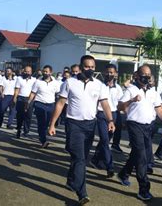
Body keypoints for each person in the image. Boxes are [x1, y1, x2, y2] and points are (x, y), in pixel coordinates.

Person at [48, 55, 114, 205]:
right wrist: (52, 124)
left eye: (92, 67)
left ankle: (71, 181)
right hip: (74, 124)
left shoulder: (99, 85)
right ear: (81, 66)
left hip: (90, 125)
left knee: (80, 157)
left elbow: (104, 104)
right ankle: (81, 193)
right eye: (87, 67)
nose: (89, 69)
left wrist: (110, 120)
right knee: (80, 159)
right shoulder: (70, 83)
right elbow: (60, 103)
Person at [116, 64, 162, 201]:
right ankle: (144, 189)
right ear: (137, 75)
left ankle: (124, 174)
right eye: (143, 75)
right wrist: (132, 100)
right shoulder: (131, 90)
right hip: (134, 125)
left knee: (138, 153)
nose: (146, 78)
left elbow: (159, 109)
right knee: (141, 157)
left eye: (148, 75)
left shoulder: (153, 92)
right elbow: (120, 107)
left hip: (149, 126)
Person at [89, 64, 123, 178]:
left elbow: (120, 104)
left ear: (116, 74)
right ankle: (110, 166)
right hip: (101, 114)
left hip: (113, 115)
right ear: (104, 73)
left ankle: (95, 160)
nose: (109, 74)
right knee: (104, 140)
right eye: (107, 72)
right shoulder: (99, 86)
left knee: (106, 139)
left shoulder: (118, 88)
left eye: (112, 72)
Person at [27, 65, 60, 148]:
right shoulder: (38, 81)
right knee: (41, 122)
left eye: (46, 72)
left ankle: (42, 135)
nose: (45, 73)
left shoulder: (55, 83)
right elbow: (33, 93)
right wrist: (28, 102)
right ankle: (43, 140)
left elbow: (58, 94)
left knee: (47, 122)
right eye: (43, 71)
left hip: (50, 104)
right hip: (39, 103)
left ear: (50, 72)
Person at [13, 66, 37, 138]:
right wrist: (14, 98)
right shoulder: (19, 79)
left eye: (28, 71)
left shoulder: (34, 80)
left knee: (28, 116)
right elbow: (17, 89)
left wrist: (32, 99)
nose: (27, 72)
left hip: (30, 99)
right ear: (23, 71)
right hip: (20, 98)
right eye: (25, 71)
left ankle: (26, 131)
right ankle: (19, 129)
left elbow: (34, 91)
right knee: (20, 115)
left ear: (31, 72)